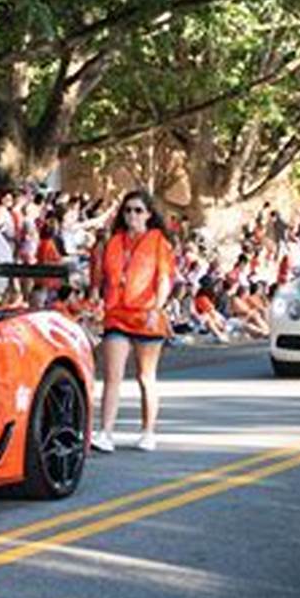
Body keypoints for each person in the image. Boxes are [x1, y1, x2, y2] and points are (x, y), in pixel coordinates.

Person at [94, 190, 174, 454]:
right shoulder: (114, 241)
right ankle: (105, 432)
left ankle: (148, 431)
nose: (132, 215)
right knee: (112, 376)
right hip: (117, 314)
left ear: (149, 215)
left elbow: (164, 278)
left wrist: (157, 308)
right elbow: (101, 278)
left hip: (146, 315)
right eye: (128, 210)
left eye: (138, 210)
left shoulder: (158, 241)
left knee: (145, 377)